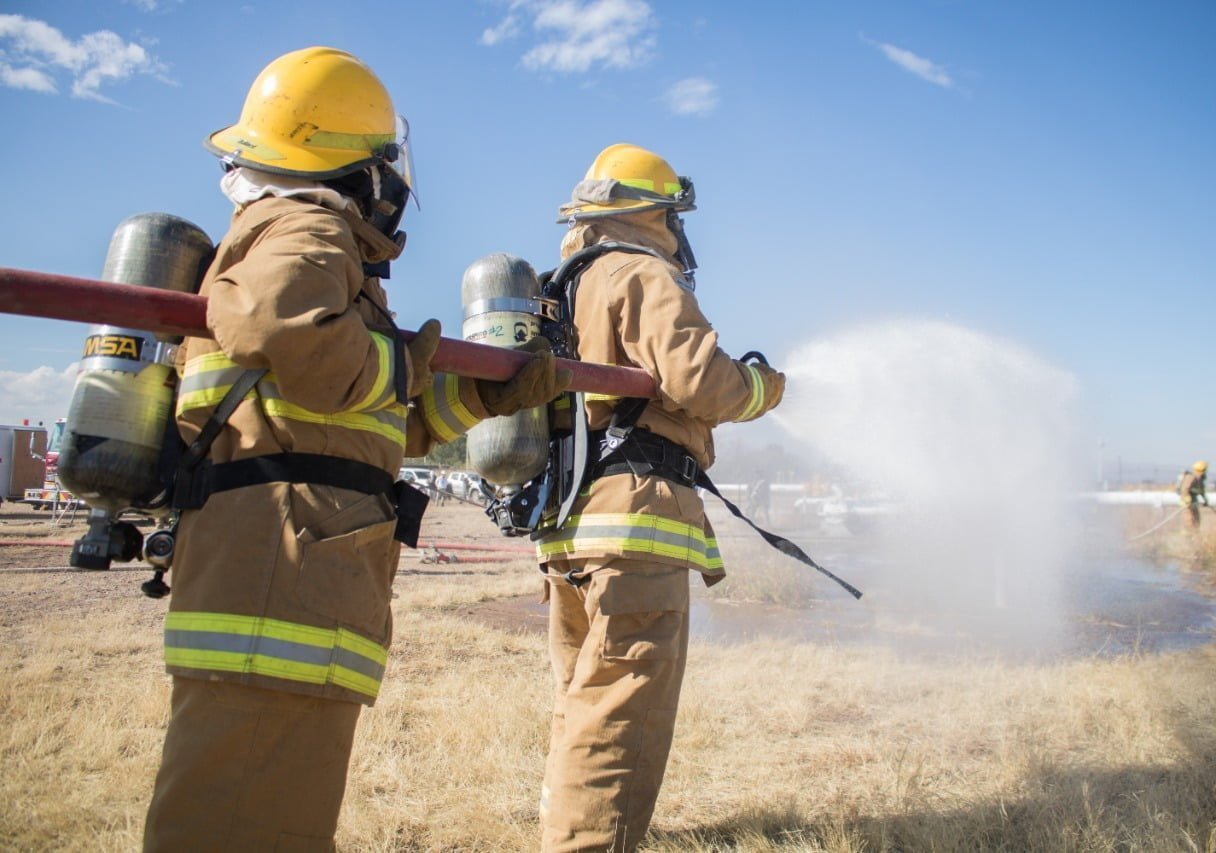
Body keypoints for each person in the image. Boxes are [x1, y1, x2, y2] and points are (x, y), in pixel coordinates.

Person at [143, 46, 567, 851]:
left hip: (288, 585)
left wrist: (478, 398)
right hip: (281, 590)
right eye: (381, 163)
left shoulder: (302, 243)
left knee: (262, 821)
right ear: (352, 165)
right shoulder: (307, 223)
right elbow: (275, 322)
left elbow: (359, 430)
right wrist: (403, 364)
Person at [534, 143, 786, 852]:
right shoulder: (640, 272)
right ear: (657, 213)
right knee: (620, 710)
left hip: (569, 521)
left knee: (582, 699)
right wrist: (765, 388)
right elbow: (704, 381)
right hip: (634, 519)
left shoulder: (568, 286)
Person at [1176, 459, 1210, 532]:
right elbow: (1185, 490)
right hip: (1187, 504)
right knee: (1189, 520)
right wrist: (1187, 500)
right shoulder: (1191, 477)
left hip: (1193, 502)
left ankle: (1194, 535)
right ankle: (1187, 536)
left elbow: (1202, 491)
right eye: (1204, 469)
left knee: (1196, 520)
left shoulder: (1200, 479)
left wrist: (1205, 500)